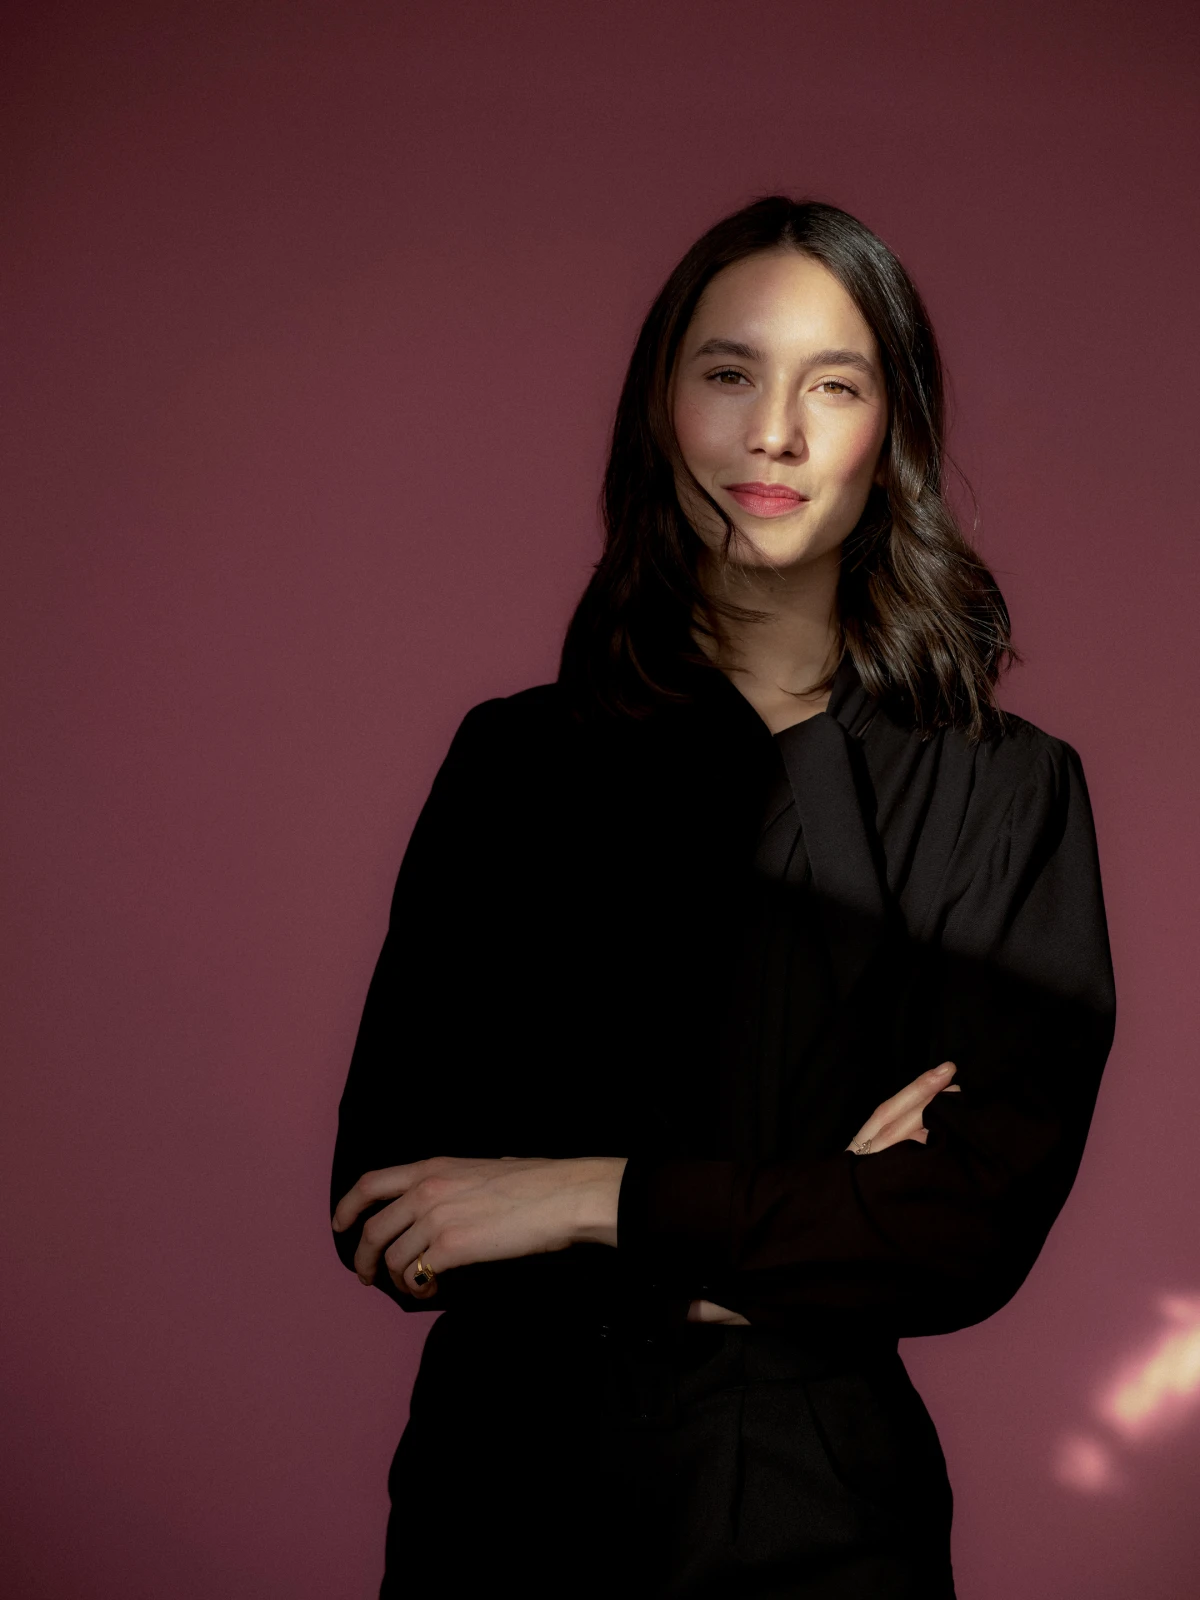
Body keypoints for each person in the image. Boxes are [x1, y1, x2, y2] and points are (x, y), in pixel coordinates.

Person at [329, 197, 1115, 1598]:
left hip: (819, 1506)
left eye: (837, 384)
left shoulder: (1005, 795)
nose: (776, 434)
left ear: (895, 439)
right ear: (660, 408)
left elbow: (961, 1231)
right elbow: (394, 1202)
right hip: (502, 1495)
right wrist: (811, 1214)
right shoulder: (516, 763)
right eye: (732, 372)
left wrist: (576, 1195)